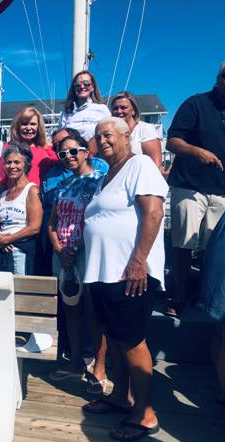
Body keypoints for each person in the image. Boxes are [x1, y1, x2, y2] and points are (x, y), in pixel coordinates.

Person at [82, 117, 167, 441]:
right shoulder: (107, 177)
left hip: (128, 273)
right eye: (98, 135)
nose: (102, 140)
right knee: (116, 340)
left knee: (131, 340)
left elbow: (154, 213)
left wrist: (137, 262)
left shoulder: (140, 165)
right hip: (103, 273)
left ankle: (145, 414)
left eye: (108, 134)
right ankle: (121, 397)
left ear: (127, 135)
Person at [46, 133, 108, 394]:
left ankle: (100, 368)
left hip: (87, 252)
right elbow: (52, 223)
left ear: (86, 152)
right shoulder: (63, 186)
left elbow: (100, 219)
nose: (68, 157)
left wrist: (76, 247)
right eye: (63, 154)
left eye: (74, 151)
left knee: (94, 311)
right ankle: (74, 364)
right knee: (70, 309)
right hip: (63, 255)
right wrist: (60, 248)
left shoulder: (100, 182)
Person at [165, 62, 225, 317]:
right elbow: (172, 141)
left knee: (216, 250)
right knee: (183, 243)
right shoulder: (196, 103)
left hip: (221, 190)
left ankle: (206, 297)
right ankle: (179, 296)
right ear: (219, 78)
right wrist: (196, 152)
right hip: (189, 186)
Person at [0, 142, 42, 275]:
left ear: (25, 165)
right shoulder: (3, 194)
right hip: (1, 252)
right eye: (8, 163)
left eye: (17, 162)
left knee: (19, 292)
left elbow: (34, 227)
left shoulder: (31, 190)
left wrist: (8, 239)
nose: (12, 166)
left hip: (20, 252)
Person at [0, 107, 57, 188]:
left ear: (38, 127)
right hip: (15, 197)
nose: (29, 128)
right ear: (18, 126)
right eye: (24, 124)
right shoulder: (9, 147)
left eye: (33, 124)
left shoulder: (48, 150)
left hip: (40, 198)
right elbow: (2, 180)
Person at [110, 92, 163, 171]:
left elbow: (155, 165)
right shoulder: (110, 132)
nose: (119, 111)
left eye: (123, 107)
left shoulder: (145, 129)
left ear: (133, 111)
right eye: (115, 108)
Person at [58, 70, 110, 146]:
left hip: (95, 155)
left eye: (86, 84)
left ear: (92, 87)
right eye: (78, 84)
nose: (82, 87)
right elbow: (60, 137)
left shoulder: (102, 109)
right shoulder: (66, 113)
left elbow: (109, 133)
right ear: (74, 88)